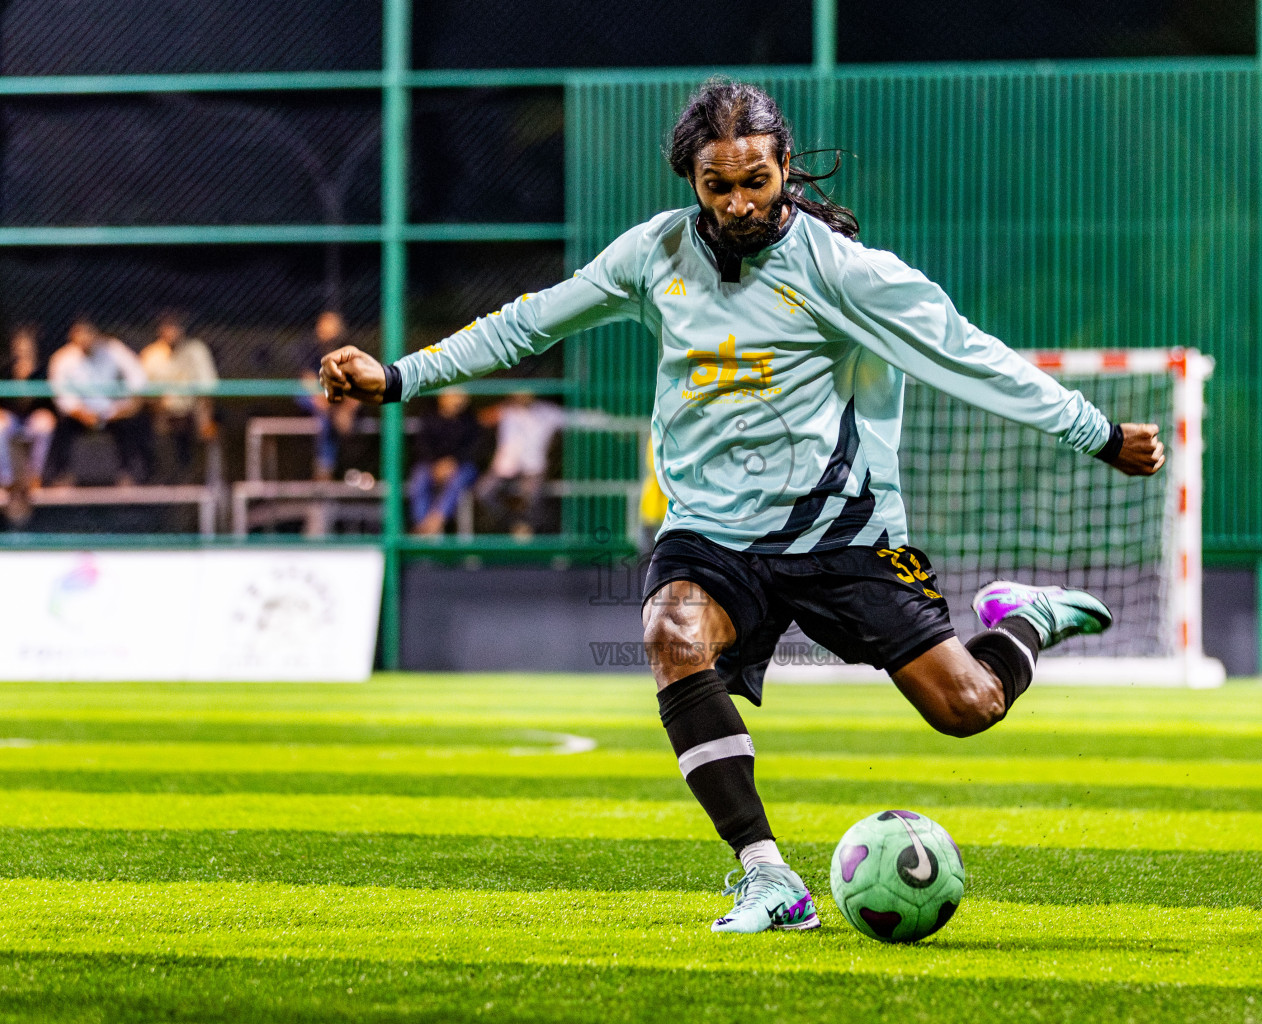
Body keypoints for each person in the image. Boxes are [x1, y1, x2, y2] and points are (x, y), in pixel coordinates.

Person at [318, 79, 1164, 935]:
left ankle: (1022, 620)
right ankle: (768, 878)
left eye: (754, 181)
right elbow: (527, 324)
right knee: (670, 636)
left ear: (784, 168)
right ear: (691, 179)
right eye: (717, 186)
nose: (737, 203)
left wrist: (1095, 431)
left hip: (845, 533)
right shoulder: (655, 254)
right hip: (712, 535)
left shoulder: (844, 272)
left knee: (967, 708)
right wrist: (400, 377)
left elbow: (972, 356)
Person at [47, 318, 152, 485]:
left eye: (89, 333)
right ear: (72, 336)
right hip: (78, 414)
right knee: (58, 425)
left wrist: (122, 409)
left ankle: (131, 476)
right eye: (80, 334)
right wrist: (81, 414)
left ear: (97, 334)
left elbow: (138, 378)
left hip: (112, 412)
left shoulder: (113, 349)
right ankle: (61, 476)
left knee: (134, 423)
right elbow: (61, 396)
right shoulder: (62, 358)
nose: (85, 339)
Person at [0, 324, 55, 522]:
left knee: (45, 424)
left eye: (27, 347)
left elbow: (48, 406)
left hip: (32, 419)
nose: (23, 350)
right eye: (19, 347)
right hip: (12, 419)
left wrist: (27, 380)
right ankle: (6, 480)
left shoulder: (42, 370)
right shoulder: (5, 367)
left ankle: (35, 477)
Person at [139, 311, 218, 483]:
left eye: (175, 326)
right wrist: (157, 408)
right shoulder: (151, 354)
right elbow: (143, 391)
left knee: (203, 429)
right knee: (146, 425)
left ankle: (192, 480)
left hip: (192, 412)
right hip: (161, 412)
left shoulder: (196, 349)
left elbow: (208, 387)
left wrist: (206, 420)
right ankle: (158, 479)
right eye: (167, 327)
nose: (171, 331)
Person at [477, 391, 565, 539]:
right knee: (483, 492)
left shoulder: (546, 412)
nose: (522, 396)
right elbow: (481, 419)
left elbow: (576, 419)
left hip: (532, 468)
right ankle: (514, 524)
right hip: (505, 468)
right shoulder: (506, 410)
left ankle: (526, 531)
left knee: (532, 498)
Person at [297, 310, 360, 480]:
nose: (325, 331)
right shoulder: (311, 348)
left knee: (334, 415)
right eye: (322, 327)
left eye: (331, 327)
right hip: (314, 395)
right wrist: (325, 398)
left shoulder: (349, 351)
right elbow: (307, 380)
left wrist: (347, 408)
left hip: (336, 399)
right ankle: (324, 470)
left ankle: (329, 470)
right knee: (325, 415)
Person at [409, 388, 481, 536]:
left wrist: (453, 463)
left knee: (458, 480)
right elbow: (422, 446)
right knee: (419, 478)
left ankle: (435, 522)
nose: (458, 401)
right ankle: (423, 525)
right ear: (442, 398)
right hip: (432, 465)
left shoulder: (470, 420)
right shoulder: (429, 418)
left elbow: (474, 449)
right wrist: (437, 465)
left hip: (461, 466)